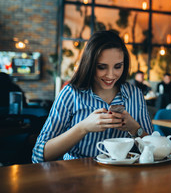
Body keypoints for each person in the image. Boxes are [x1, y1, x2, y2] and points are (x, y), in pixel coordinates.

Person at [32, 31, 153, 163]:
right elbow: (39, 155)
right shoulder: (71, 94)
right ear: (89, 64)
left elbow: (154, 151)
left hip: (122, 176)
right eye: (102, 67)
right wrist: (83, 127)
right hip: (76, 175)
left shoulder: (134, 94)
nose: (111, 75)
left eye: (118, 66)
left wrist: (135, 128)